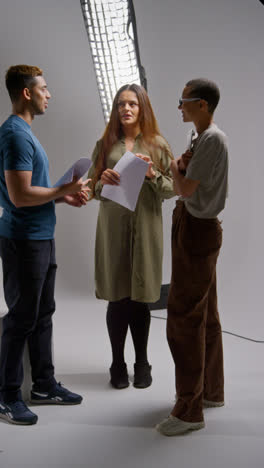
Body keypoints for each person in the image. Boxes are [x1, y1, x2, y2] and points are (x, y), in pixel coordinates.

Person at [0, 65, 90, 425]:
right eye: (44, 88)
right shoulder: (15, 135)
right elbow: (20, 196)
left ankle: (43, 384)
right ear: (27, 92)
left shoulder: (24, 133)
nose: (48, 94)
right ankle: (6, 396)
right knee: (21, 318)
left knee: (42, 314)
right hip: (24, 241)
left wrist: (60, 199)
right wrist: (64, 189)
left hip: (41, 237)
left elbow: (28, 191)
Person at [88, 83, 174, 390]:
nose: (126, 109)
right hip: (113, 227)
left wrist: (153, 176)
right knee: (117, 296)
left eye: (132, 104)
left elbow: (173, 188)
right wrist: (101, 180)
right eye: (121, 104)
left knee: (140, 299)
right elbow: (90, 188)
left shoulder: (158, 144)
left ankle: (142, 362)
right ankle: (117, 362)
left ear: (142, 109)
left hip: (146, 227)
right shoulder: (105, 143)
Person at [156, 78, 228, 436]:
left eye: (184, 101)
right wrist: (180, 165)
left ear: (202, 104)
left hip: (197, 229)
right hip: (193, 224)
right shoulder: (198, 137)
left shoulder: (212, 139)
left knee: (183, 320)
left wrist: (172, 165)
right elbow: (187, 177)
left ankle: (189, 410)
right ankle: (211, 392)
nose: (179, 106)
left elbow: (183, 187)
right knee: (205, 315)